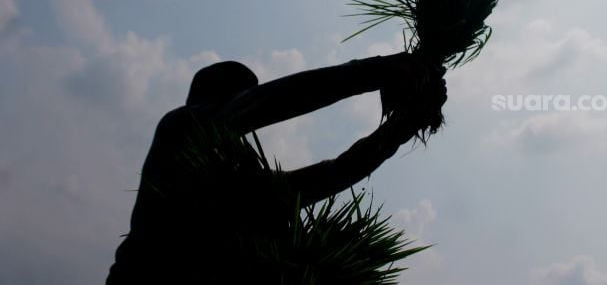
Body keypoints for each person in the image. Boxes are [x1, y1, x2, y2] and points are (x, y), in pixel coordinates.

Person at [106, 52, 447, 284]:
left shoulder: (245, 183)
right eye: (230, 103)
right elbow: (274, 100)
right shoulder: (179, 130)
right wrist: (376, 70)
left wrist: (404, 125)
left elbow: (333, 174)